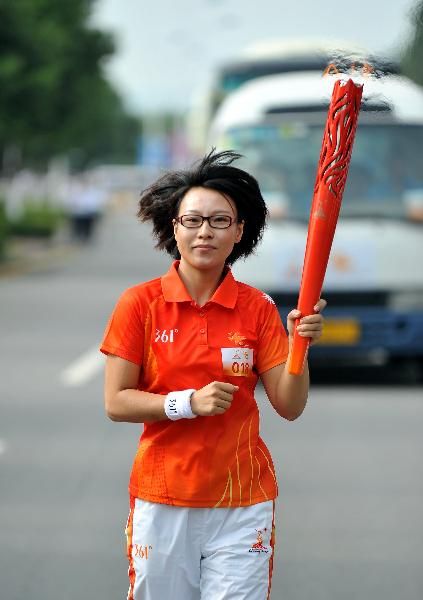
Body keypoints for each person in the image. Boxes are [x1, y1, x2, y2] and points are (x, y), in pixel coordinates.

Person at [100, 149, 326, 600]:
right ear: (174, 227)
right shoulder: (140, 304)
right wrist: (186, 403)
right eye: (193, 220)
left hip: (242, 502)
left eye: (220, 221)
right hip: (163, 498)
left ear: (239, 231)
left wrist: (299, 347)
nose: (205, 232)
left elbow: (290, 405)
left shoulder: (257, 308)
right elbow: (116, 401)